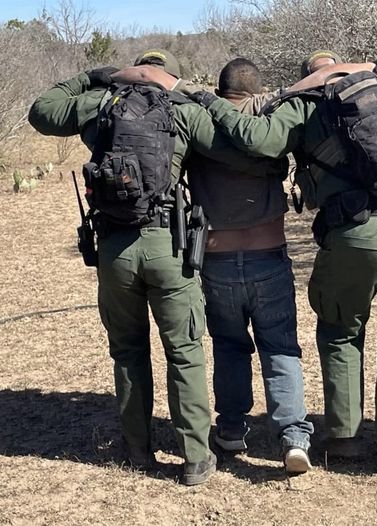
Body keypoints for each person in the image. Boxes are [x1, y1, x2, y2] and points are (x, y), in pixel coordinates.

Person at [188, 53, 377, 474]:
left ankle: (346, 440)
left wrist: (209, 102)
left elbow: (255, 138)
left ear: (309, 77)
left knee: (341, 331)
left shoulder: (305, 104)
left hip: (355, 234)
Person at [28, 48, 249, 485]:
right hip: (169, 244)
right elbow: (239, 144)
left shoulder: (100, 104)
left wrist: (91, 75)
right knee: (184, 352)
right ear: (167, 75)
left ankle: (136, 449)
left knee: (128, 353)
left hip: (115, 249)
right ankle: (194, 457)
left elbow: (42, 112)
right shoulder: (181, 108)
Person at [186, 58, 313, 473]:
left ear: (220, 89)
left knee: (229, 346)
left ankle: (232, 428)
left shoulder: (201, 123)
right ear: (256, 89)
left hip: (217, 259)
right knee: (280, 348)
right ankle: (294, 436)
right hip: (269, 254)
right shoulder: (271, 122)